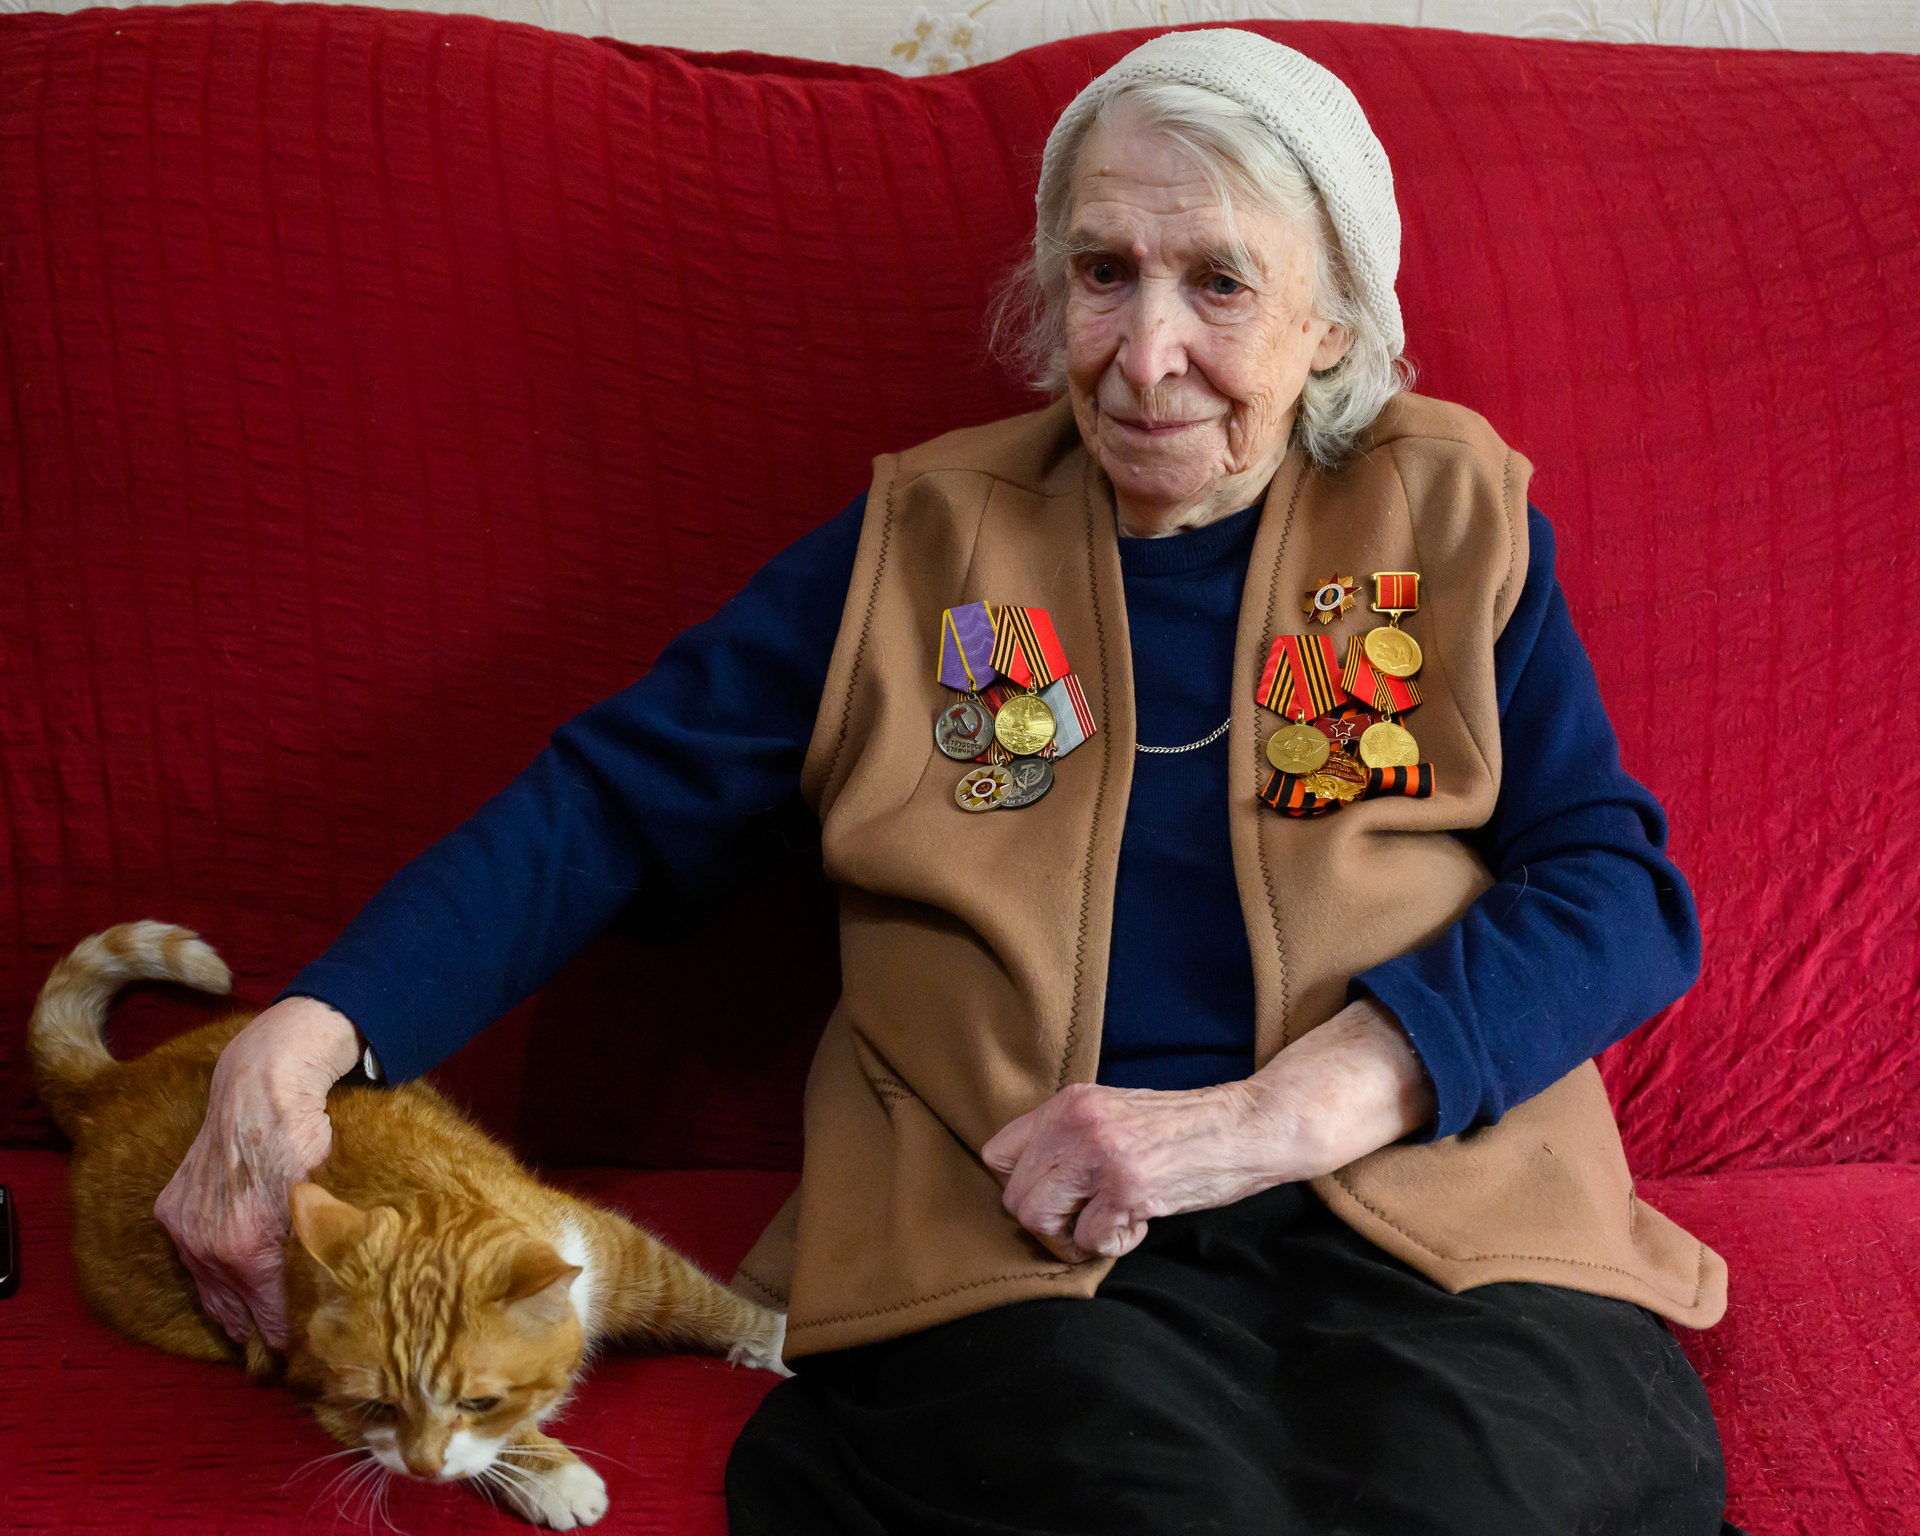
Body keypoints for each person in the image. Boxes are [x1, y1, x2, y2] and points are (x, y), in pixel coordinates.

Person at [156, 27, 1734, 1534]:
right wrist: (306, 1039)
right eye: (1102, 274)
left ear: (1335, 321)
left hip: (1427, 1197)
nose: (1146, 357)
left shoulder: (1448, 516)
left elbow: (1615, 892)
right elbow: (606, 808)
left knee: (1505, 1497)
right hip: (1019, 1224)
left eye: (1220, 282)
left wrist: (1288, 1111)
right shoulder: (921, 546)